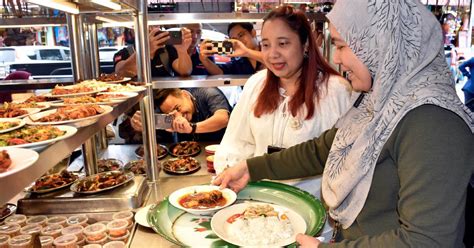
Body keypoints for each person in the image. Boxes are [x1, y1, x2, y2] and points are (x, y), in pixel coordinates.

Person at [213, 1, 474, 247]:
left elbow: (427, 241)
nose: (336, 59)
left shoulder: (434, 123)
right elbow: (322, 149)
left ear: (380, 43)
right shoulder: (379, 101)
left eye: (341, 45)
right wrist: (250, 168)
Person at [214, 6, 353, 198]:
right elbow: (236, 142)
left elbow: (344, 160)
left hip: (313, 210)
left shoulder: (335, 90)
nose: (272, 54)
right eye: (265, 45)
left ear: (305, 45)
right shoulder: (256, 84)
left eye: (283, 43)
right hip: (260, 205)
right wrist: (229, 172)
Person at [120, 87, 231, 143]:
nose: (179, 116)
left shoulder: (208, 93)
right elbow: (147, 124)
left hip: (223, 149)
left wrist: (191, 128)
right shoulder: (165, 111)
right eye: (171, 114)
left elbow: (223, 118)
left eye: (178, 108)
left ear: (185, 95)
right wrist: (137, 125)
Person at [113, 27, 193, 77]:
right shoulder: (124, 53)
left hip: (166, 99)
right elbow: (121, 73)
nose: (151, 30)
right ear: (133, 31)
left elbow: (185, 71)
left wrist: (182, 51)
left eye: (154, 26)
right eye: (146, 26)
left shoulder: (167, 50)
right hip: (138, 101)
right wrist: (146, 51)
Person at [199, 22, 264, 75]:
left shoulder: (267, 48)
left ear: (253, 33)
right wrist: (204, 60)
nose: (238, 41)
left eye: (241, 35)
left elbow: (271, 59)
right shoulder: (238, 62)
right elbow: (220, 72)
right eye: (234, 39)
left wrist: (247, 52)